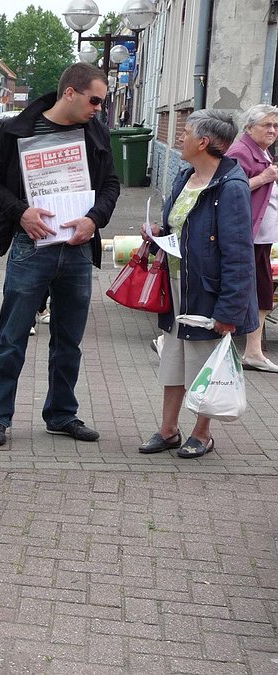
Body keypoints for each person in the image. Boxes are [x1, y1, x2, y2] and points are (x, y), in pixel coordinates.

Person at [0, 62, 121, 447]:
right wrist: (20, 212)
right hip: (31, 247)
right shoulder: (17, 129)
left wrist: (94, 219)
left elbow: (110, 185)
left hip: (75, 249)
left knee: (68, 340)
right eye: (94, 100)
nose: (98, 109)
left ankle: (61, 414)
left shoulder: (96, 133)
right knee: (12, 336)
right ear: (70, 93)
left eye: (102, 103)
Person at [138, 110, 257, 458]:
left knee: (205, 363)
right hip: (177, 285)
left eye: (186, 132)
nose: (180, 137)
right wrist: (160, 232)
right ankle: (168, 429)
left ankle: (202, 433)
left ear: (204, 142)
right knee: (173, 357)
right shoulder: (185, 175)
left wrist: (230, 310)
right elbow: (178, 226)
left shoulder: (231, 187)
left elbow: (238, 255)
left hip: (208, 290)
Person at [225, 104, 278, 372]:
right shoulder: (240, 151)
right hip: (247, 236)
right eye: (266, 125)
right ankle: (172, 338)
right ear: (248, 127)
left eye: (275, 126)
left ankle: (254, 351)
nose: (272, 130)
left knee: (261, 293)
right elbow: (228, 189)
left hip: (261, 238)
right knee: (247, 292)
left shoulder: (262, 151)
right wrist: (264, 177)